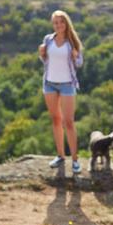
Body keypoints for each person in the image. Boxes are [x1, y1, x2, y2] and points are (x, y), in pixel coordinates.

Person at [38, 10, 84, 173]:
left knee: (69, 122)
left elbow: (79, 63)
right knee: (56, 120)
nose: (58, 25)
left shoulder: (73, 41)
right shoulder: (48, 39)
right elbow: (46, 61)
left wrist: (75, 56)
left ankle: (75, 160)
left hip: (67, 85)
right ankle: (60, 156)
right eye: (56, 23)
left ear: (66, 23)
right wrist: (41, 54)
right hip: (49, 84)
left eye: (61, 22)